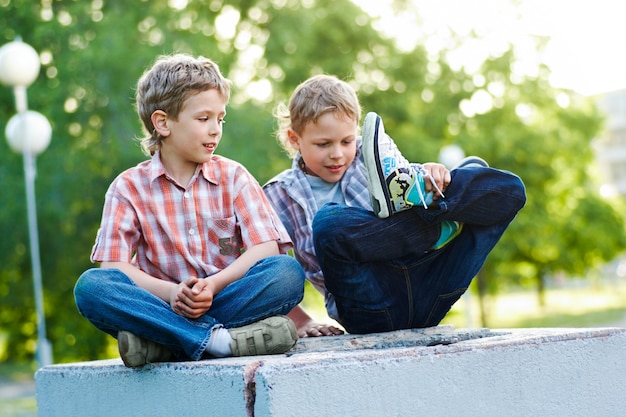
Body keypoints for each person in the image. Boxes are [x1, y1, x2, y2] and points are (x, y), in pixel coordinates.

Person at [74, 54, 305, 367]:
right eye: (203, 119)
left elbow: (264, 248)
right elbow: (113, 267)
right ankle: (219, 341)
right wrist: (172, 294)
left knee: (286, 273)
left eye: (220, 119)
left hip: (226, 298)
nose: (215, 130)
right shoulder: (128, 187)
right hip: (163, 305)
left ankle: (166, 343)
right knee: (91, 288)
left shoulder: (234, 176)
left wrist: (212, 285)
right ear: (163, 122)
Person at [263, 74, 526, 337]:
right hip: (369, 305)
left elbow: (406, 176)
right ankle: (437, 227)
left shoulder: (370, 155)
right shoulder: (279, 195)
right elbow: (270, 271)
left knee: (505, 188)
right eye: (323, 144)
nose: (337, 154)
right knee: (328, 222)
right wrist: (301, 321)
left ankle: (434, 207)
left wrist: (430, 175)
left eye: (346, 141)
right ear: (295, 139)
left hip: (430, 284)